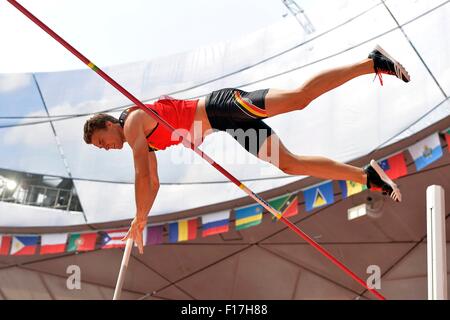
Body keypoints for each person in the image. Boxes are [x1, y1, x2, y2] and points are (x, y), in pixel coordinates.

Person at [83, 45, 410, 253]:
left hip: (222, 107)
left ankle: (370, 63)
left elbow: (141, 174)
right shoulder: (146, 139)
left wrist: (139, 216)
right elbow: (153, 182)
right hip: (227, 124)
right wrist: (143, 219)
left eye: (102, 142)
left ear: (109, 125)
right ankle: (365, 176)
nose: (108, 148)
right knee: (290, 164)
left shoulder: (133, 122)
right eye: (102, 148)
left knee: (298, 99)